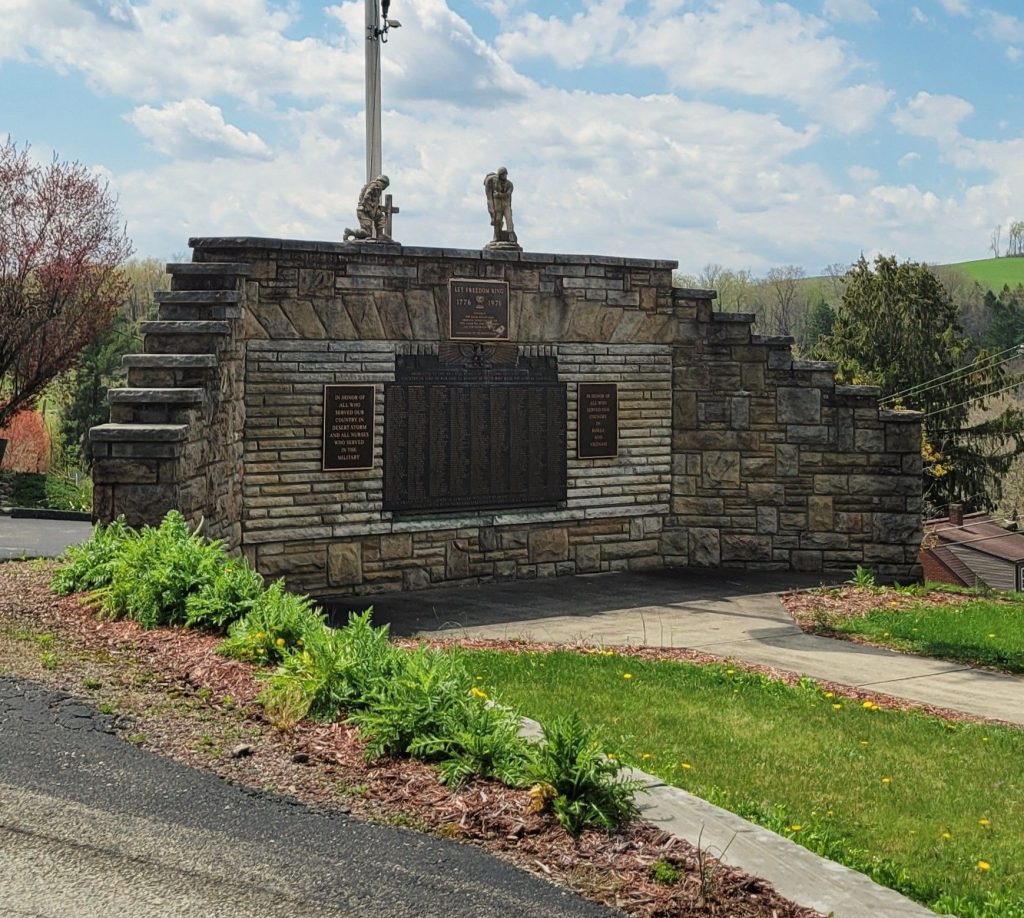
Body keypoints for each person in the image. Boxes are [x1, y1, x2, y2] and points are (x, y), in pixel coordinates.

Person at [344, 174, 391, 241]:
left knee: (380, 217)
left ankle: (380, 235)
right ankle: (350, 232)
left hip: (370, 210)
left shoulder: (377, 188)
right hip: (364, 211)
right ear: (383, 183)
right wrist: (370, 207)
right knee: (368, 233)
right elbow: (366, 196)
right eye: (385, 186)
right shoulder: (374, 185)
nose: (384, 188)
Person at [484, 167, 516, 244]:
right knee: (497, 220)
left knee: (509, 220)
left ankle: (511, 235)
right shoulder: (495, 181)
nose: (504, 176)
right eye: (503, 174)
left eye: (505, 174)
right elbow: (487, 183)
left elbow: (508, 194)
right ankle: (496, 236)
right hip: (497, 204)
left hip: (506, 205)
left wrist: (498, 195)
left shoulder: (509, 184)